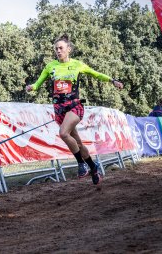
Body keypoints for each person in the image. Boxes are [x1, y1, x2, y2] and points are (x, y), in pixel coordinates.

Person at [25, 34, 123, 185]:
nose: (58, 51)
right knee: (78, 142)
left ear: (68, 49)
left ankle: (81, 164)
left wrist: (112, 80)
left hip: (74, 106)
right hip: (59, 110)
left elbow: (95, 74)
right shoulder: (50, 66)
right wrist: (32, 87)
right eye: (56, 48)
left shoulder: (77, 64)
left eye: (61, 48)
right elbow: (38, 84)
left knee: (63, 133)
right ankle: (93, 166)